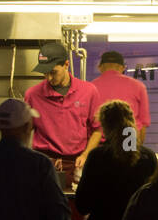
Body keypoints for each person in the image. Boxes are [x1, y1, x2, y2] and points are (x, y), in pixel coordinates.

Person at [23, 41, 101, 189]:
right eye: (45, 73)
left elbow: (97, 130)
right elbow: (24, 132)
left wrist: (85, 155)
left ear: (66, 64)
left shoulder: (89, 91)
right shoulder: (32, 95)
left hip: (76, 165)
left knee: (74, 208)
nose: (49, 78)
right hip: (43, 164)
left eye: (53, 72)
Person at [91, 51, 151, 145]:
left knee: (101, 159)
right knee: (128, 159)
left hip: (100, 141)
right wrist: (138, 149)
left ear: (100, 67)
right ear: (123, 68)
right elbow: (143, 123)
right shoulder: (138, 86)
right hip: (129, 140)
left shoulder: (91, 87)